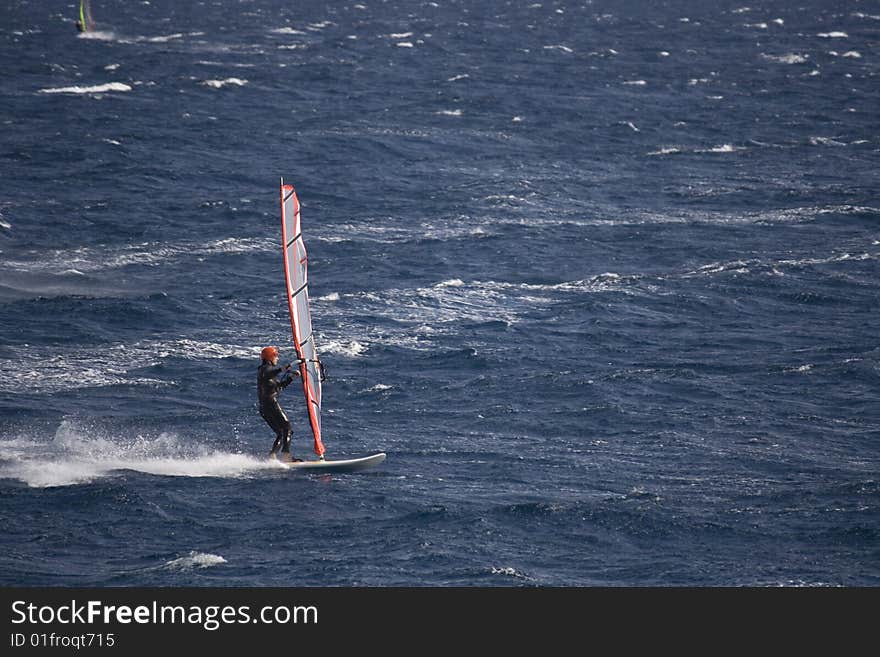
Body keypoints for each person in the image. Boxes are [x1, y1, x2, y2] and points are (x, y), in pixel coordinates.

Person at [257, 346, 301, 461]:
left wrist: (291, 378)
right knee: (287, 428)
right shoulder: (264, 370)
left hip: (265, 407)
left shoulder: (268, 373)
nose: (277, 358)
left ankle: (272, 456)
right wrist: (284, 368)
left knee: (282, 432)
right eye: (276, 356)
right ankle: (286, 456)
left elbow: (279, 387)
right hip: (270, 404)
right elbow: (270, 372)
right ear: (270, 357)